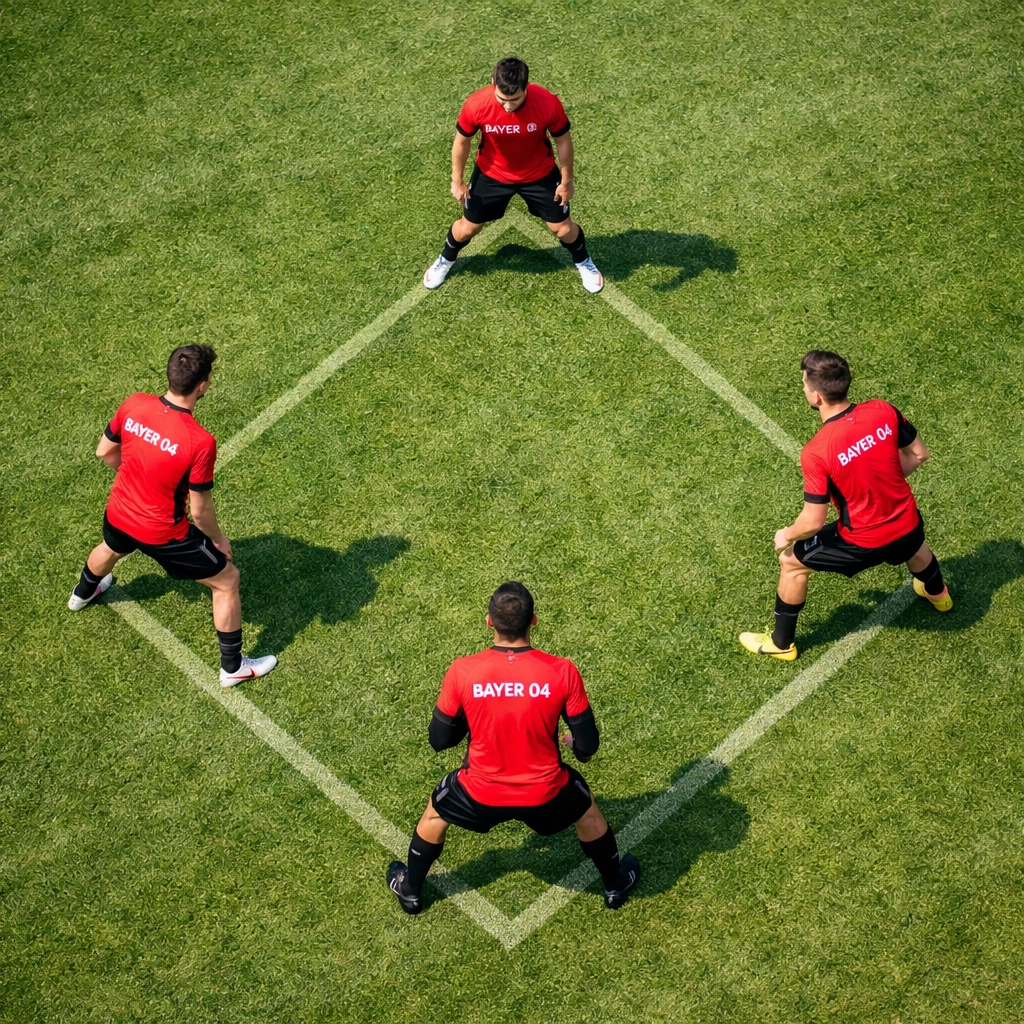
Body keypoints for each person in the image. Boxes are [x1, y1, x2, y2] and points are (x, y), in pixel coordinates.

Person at [387, 582, 639, 914]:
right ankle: (615, 886)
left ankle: (411, 891)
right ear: (533, 621)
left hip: (478, 794)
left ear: (488, 622)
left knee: (435, 814)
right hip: (546, 794)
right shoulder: (562, 671)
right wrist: (576, 746)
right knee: (588, 813)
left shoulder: (463, 671)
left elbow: (439, 740)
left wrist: (472, 714)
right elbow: (588, 745)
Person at [68, 344, 278, 687]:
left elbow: (104, 451)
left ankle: (82, 594)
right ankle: (233, 667)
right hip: (164, 534)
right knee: (227, 582)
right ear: (203, 384)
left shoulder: (134, 403)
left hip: (119, 511)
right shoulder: (199, 442)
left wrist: (137, 478)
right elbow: (200, 509)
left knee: (110, 547)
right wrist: (219, 540)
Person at [740, 350, 952, 661]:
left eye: (803, 384)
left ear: (816, 396)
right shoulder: (883, 411)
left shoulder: (817, 451)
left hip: (862, 540)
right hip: (908, 522)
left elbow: (812, 521)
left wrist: (787, 534)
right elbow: (919, 454)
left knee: (791, 562)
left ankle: (781, 644)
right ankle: (939, 595)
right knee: (913, 545)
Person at [422, 56, 604, 294]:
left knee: (563, 229)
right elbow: (461, 142)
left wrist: (567, 180)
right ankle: (445, 259)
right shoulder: (476, 104)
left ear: (526, 88)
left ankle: (583, 261)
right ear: (492, 83)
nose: (507, 106)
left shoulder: (548, 103)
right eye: (502, 99)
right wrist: (456, 181)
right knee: (467, 228)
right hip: (491, 174)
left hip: (539, 173)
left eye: (515, 99)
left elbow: (563, 141)